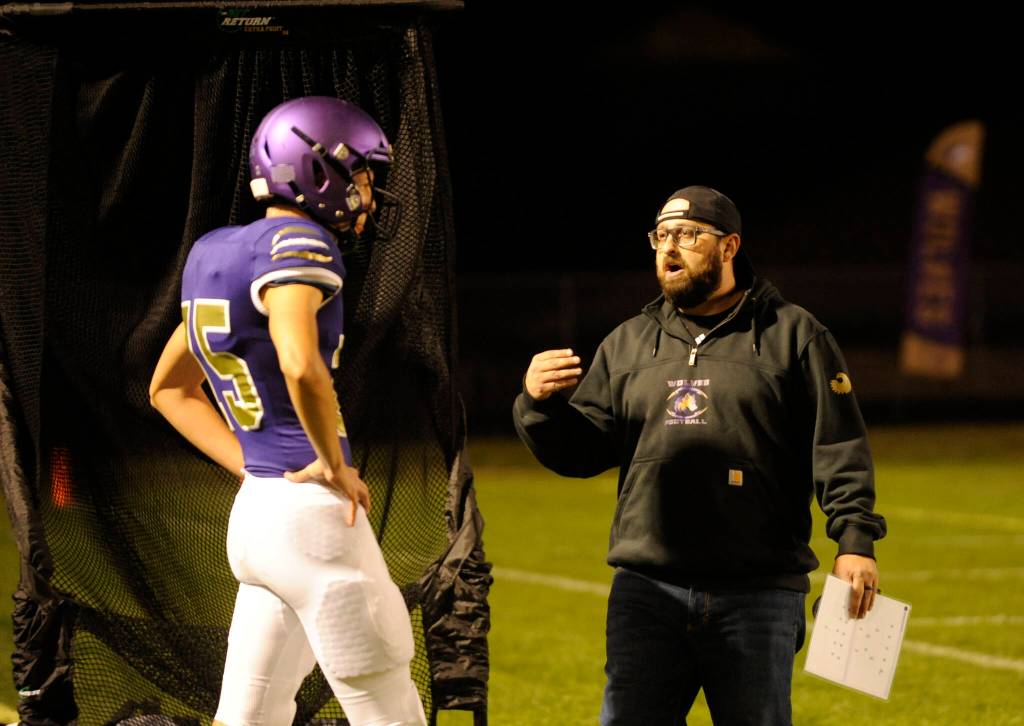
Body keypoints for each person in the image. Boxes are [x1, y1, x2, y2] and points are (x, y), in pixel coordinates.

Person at [512, 186, 887, 725]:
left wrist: (855, 541)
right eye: (660, 236)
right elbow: (584, 451)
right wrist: (539, 406)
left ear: (729, 246)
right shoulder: (628, 343)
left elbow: (838, 443)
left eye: (687, 235)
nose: (669, 248)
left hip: (757, 593)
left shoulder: (794, 335)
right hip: (647, 591)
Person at [149, 96, 426, 726]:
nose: (368, 191)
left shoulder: (214, 250)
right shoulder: (300, 242)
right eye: (361, 173)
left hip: (260, 515)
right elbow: (300, 362)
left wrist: (252, 469)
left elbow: (169, 388)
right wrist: (331, 461)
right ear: (317, 170)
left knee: (250, 714)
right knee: (388, 704)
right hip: (313, 521)